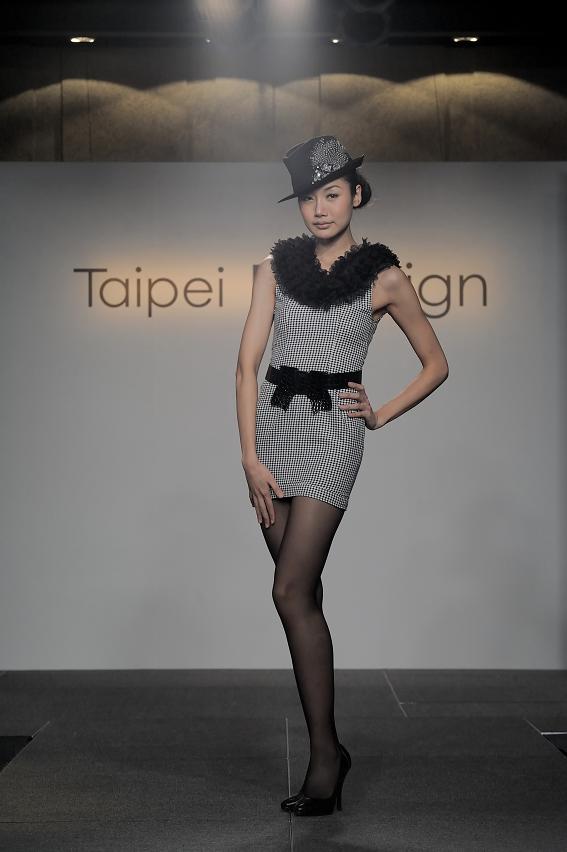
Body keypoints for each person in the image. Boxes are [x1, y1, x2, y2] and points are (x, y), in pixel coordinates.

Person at [235, 135, 449, 817]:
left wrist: (378, 414)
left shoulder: (384, 277)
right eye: (308, 197)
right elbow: (246, 366)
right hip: (274, 436)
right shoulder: (271, 268)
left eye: (331, 194)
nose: (319, 208)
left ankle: (325, 757)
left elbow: (436, 363)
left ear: (355, 194)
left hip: (333, 436)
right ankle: (330, 747)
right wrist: (249, 459)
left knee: (289, 589)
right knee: (303, 595)